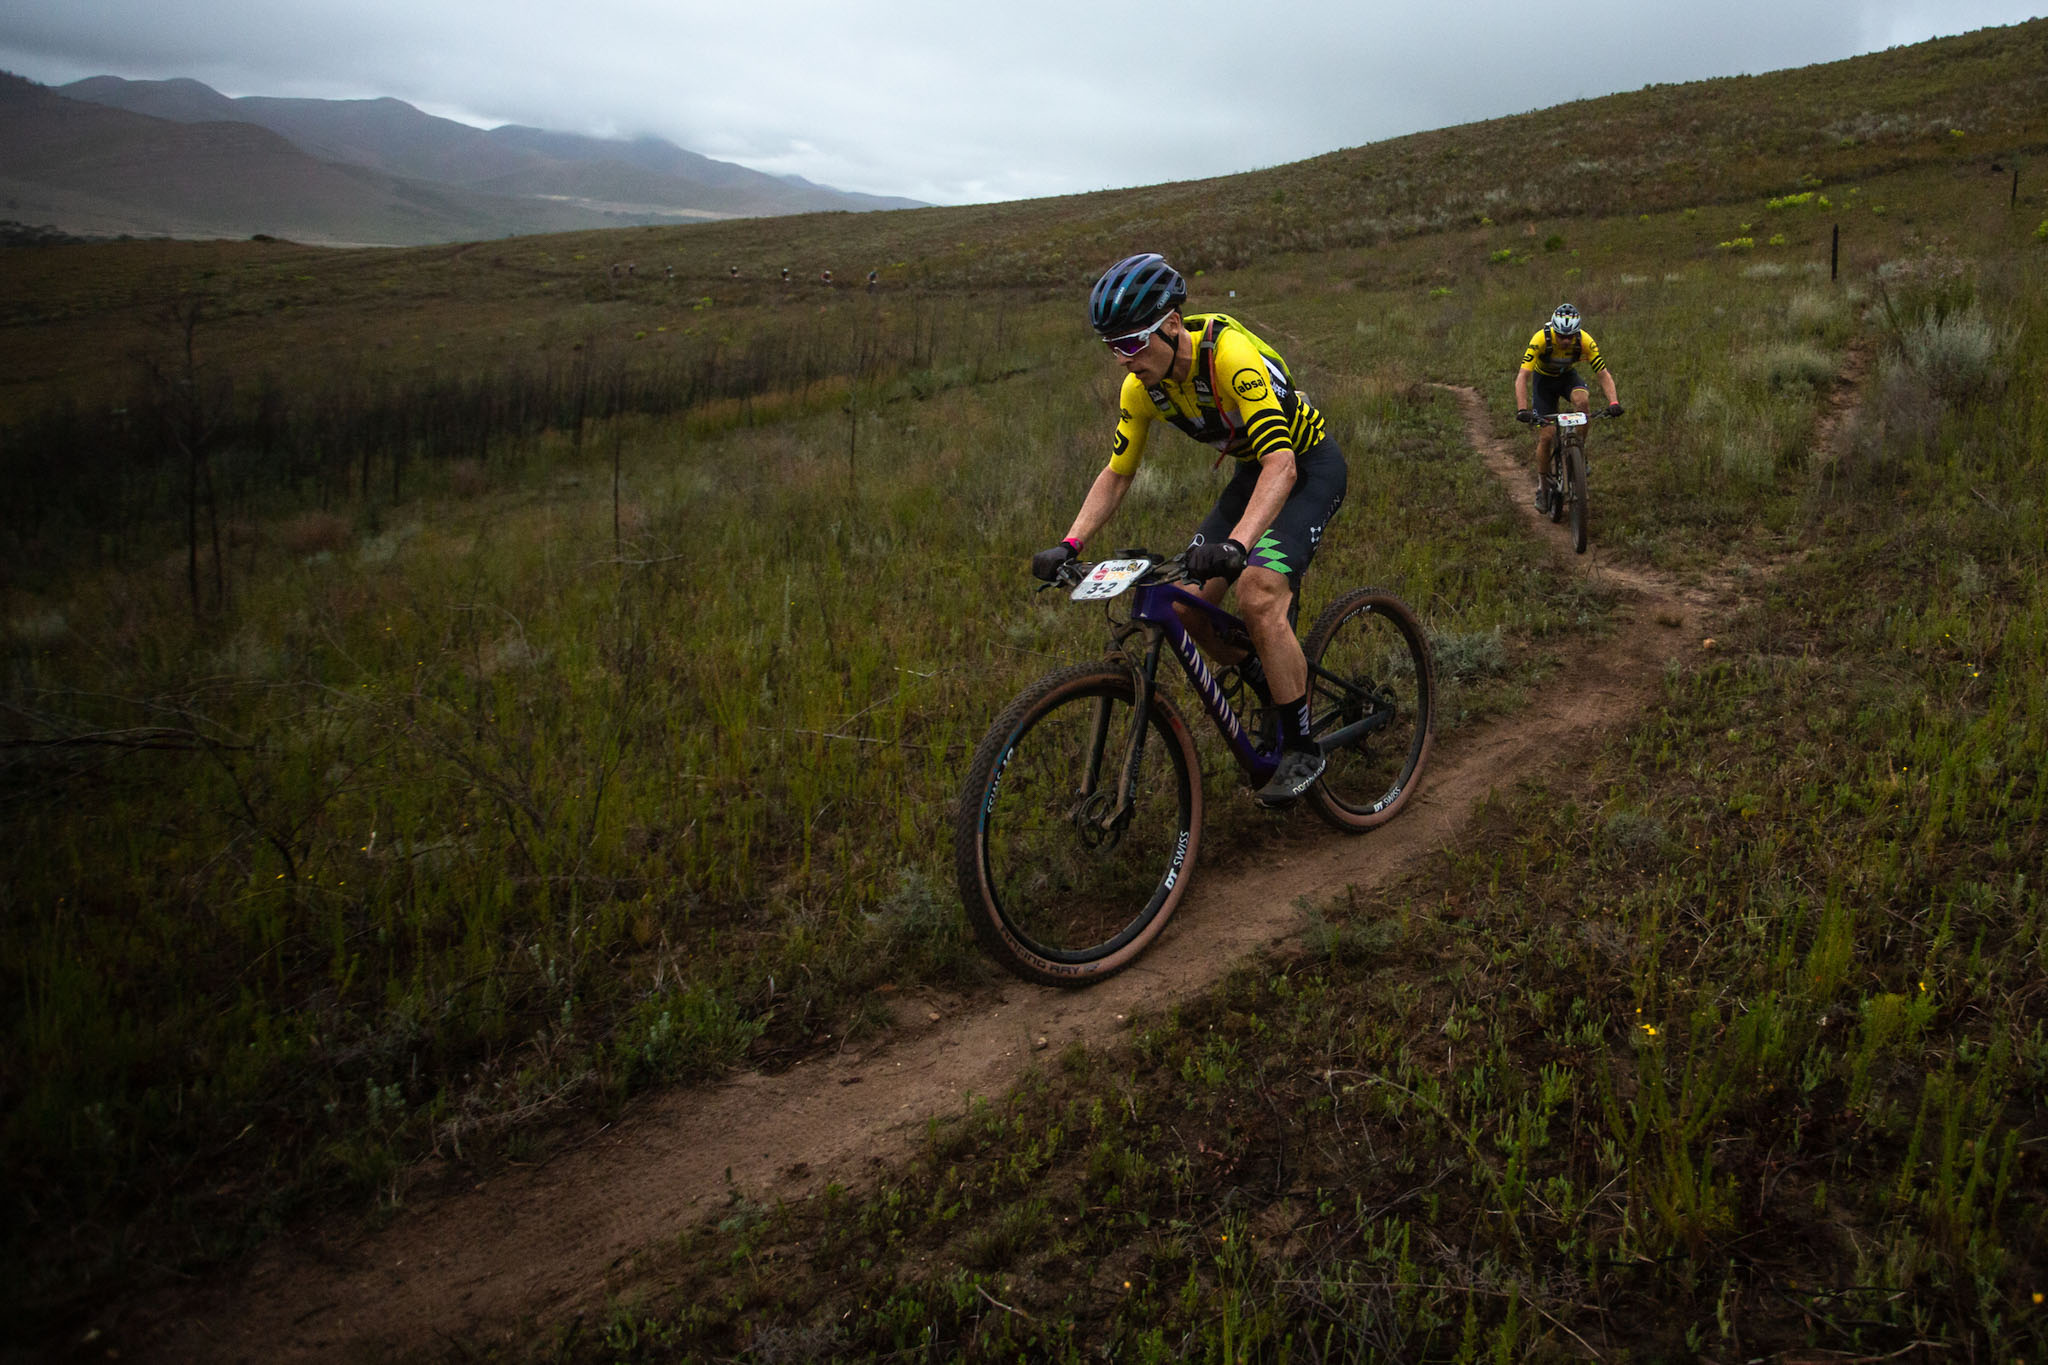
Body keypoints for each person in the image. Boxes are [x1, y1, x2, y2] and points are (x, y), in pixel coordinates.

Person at [1031, 253, 1347, 806]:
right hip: (1255, 473)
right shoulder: (1141, 390)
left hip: (1305, 465)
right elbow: (1117, 473)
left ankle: (1301, 744)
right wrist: (1070, 542)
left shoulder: (1231, 358)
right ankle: (1266, 674)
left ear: (1172, 324)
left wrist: (1238, 546)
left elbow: (1283, 466)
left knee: (1257, 591)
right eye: (1112, 347)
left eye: (1132, 343)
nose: (1124, 360)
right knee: (1183, 607)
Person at [1513, 303, 1622, 513]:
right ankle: (1542, 487)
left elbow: (1603, 374)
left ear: (1576, 333)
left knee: (1582, 403)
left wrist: (1614, 403)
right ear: (1554, 330)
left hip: (1567, 378)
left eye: (1569, 337)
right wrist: (1522, 409)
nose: (1565, 341)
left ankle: (1578, 452)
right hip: (1543, 383)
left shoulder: (1585, 341)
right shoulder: (1540, 339)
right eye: (1561, 336)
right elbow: (1522, 376)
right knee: (1546, 436)